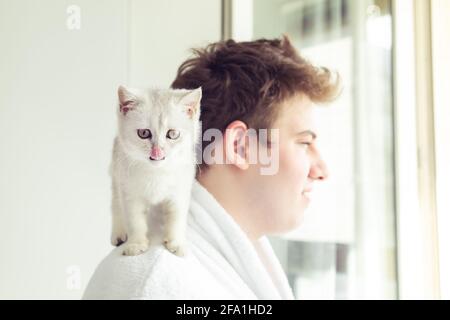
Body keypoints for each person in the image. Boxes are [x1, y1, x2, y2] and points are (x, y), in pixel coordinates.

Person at [83, 36, 339, 299]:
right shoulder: (155, 286)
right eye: (305, 142)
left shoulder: (214, 270)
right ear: (240, 147)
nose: (322, 170)